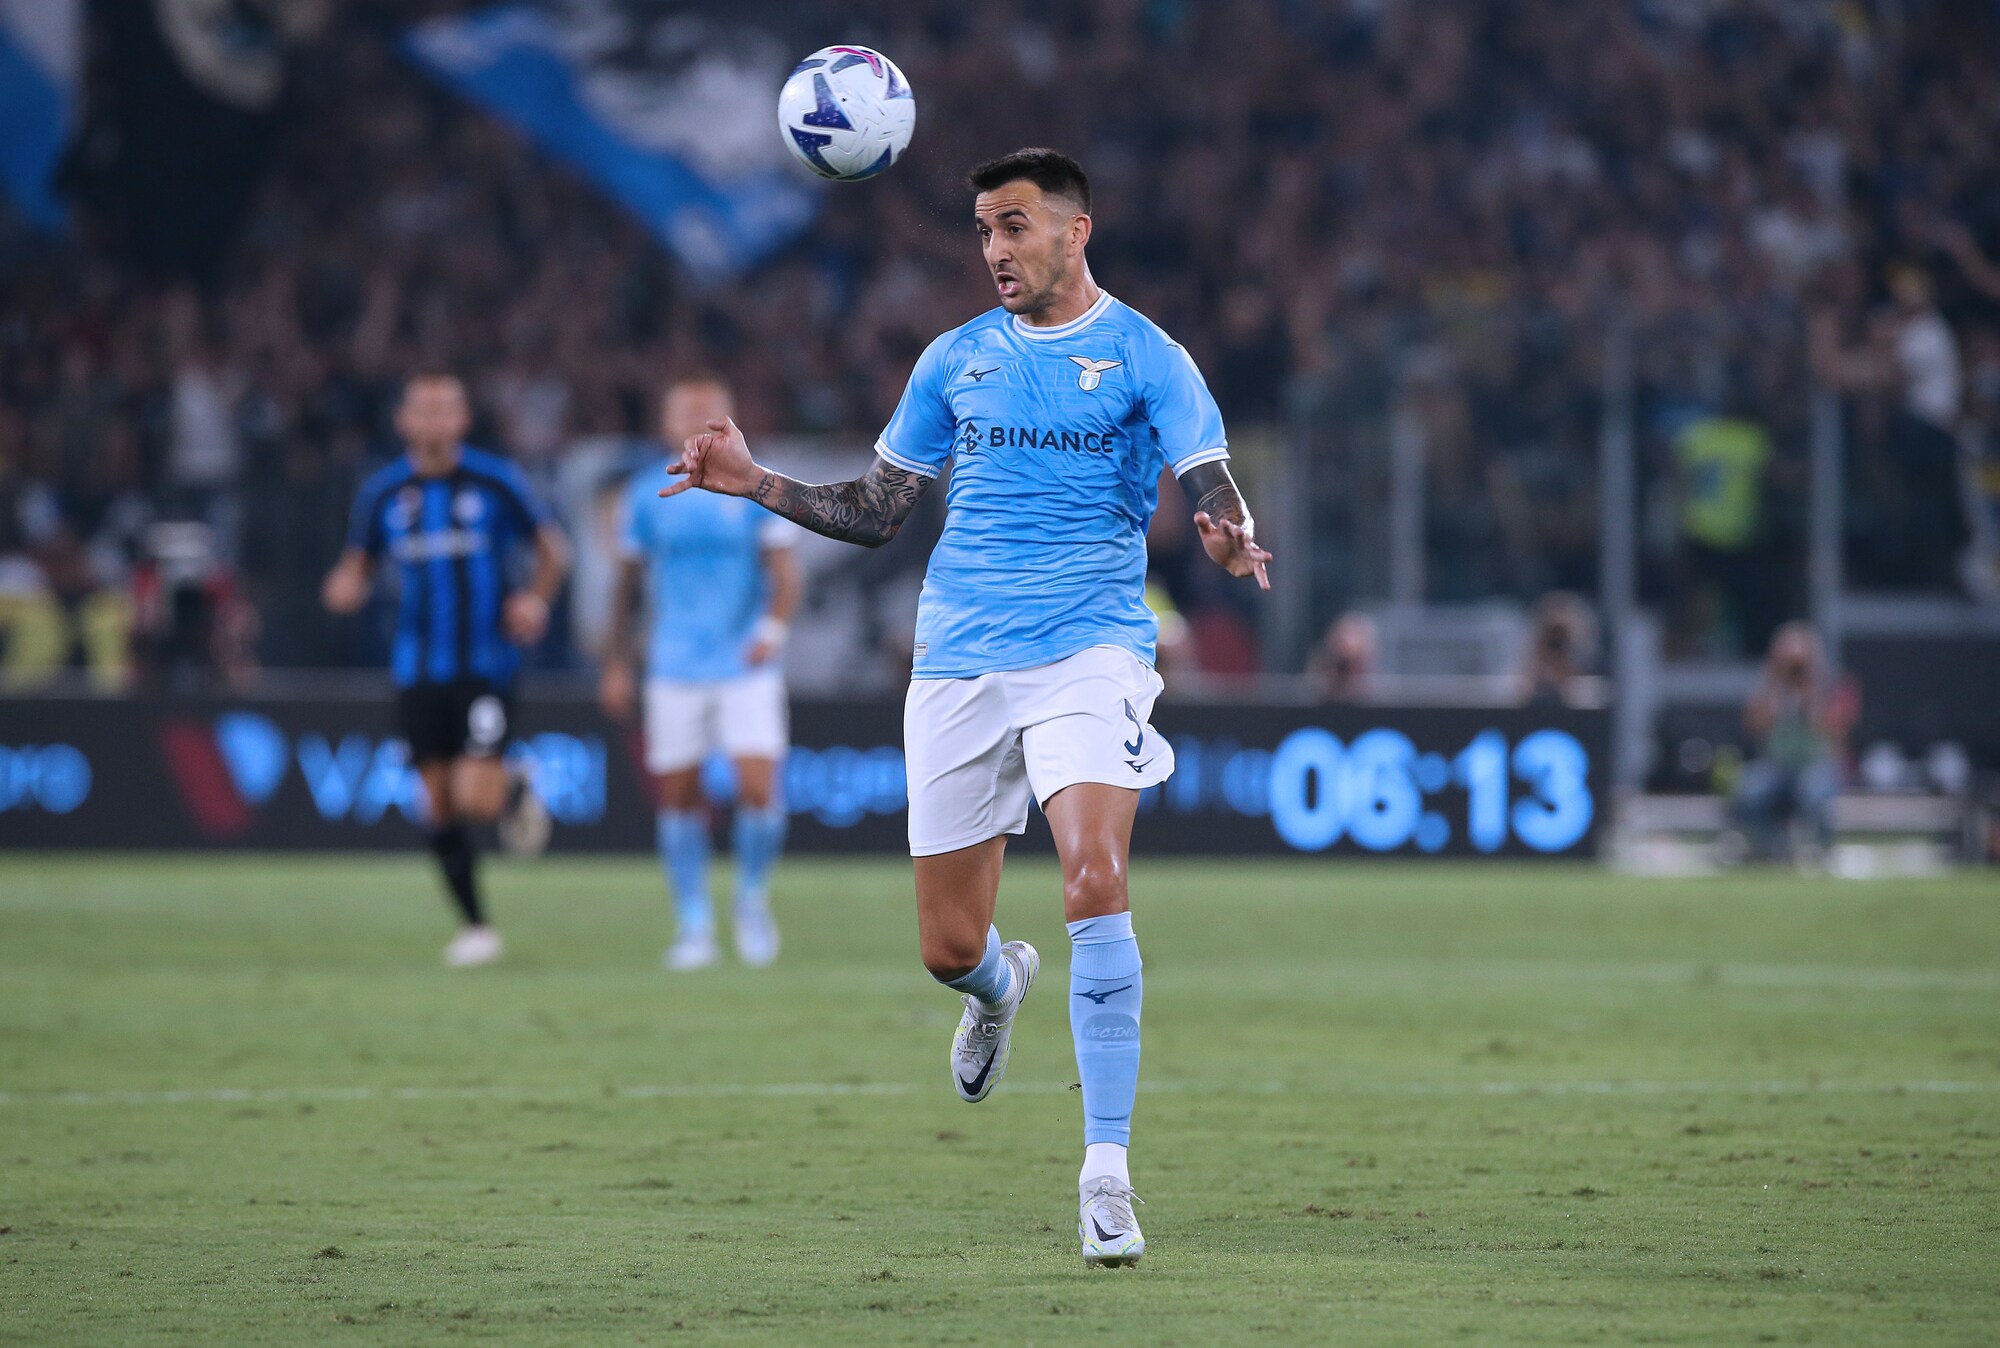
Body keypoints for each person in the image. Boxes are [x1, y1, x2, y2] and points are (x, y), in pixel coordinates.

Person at [659, 148, 1271, 1267]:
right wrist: (754, 483)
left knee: (1095, 878)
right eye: (984, 229)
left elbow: (1208, 480)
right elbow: (876, 510)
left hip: (1090, 651)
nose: (994, 248)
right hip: (957, 662)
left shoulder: (1148, 355)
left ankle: (1104, 1175)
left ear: (1076, 231)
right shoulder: (954, 359)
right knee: (947, 946)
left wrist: (1228, 533)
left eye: (1014, 224)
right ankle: (996, 986)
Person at [322, 374, 569, 966]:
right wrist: (345, 585)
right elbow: (357, 564)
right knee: (435, 805)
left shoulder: (495, 481)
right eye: (423, 411)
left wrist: (535, 600)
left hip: (486, 666)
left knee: (475, 801)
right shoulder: (383, 492)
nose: (433, 421)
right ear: (403, 421)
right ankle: (476, 927)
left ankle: (511, 785)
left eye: (444, 410)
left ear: (463, 420)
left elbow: (553, 550)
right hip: (415, 670)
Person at [599, 372, 799, 970]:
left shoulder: (755, 484)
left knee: (759, 790)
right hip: (674, 664)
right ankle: (694, 924)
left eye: (708, 410)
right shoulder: (643, 494)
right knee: (679, 798)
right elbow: (625, 588)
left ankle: (751, 899)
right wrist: (617, 662)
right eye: (685, 411)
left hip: (744, 663)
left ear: (729, 419)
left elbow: (785, 574)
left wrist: (770, 632)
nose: (695, 421)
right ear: (665, 423)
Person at [1732, 622, 1856, 862]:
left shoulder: (1826, 688)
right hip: (1777, 765)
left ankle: (1823, 852)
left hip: (1814, 764)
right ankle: (1767, 848)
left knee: (1815, 793)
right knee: (1749, 789)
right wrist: (1774, 684)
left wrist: (1811, 692)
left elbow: (1835, 732)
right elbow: (1752, 727)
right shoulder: (1770, 688)